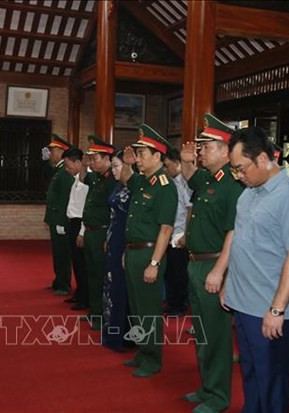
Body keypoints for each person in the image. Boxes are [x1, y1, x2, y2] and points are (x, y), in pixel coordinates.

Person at [223, 127, 289, 413]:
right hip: (242, 302)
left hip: (269, 308)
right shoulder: (248, 193)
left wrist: (277, 309)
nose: (238, 175)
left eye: (240, 168)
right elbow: (239, 240)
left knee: (273, 381)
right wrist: (228, 282)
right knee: (250, 374)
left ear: (262, 158)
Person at [180, 114, 244, 413]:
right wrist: (187, 159)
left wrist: (220, 271)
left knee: (216, 336)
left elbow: (234, 230)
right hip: (196, 262)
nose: (200, 151)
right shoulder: (210, 178)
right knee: (202, 332)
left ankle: (219, 397)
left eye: (206, 146)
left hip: (214, 264)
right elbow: (191, 174)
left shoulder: (233, 184)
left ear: (224, 150)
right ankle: (206, 387)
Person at [120, 124, 178, 378]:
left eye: (143, 154)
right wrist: (127, 162)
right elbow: (124, 177)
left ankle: (153, 358)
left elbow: (166, 229)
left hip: (150, 253)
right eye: (138, 153)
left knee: (149, 309)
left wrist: (154, 263)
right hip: (134, 251)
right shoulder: (144, 182)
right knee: (136, 305)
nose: (139, 158)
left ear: (158, 156)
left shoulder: (165, 186)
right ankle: (143, 351)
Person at [79, 135, 116, 331]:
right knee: (92, 274)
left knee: (103, 276)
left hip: (103, 233)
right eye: (91, 158)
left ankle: (103, 315)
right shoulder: (97, 178)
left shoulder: (112, 180)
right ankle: (94, 311)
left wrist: (110, 236)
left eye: (95, 158)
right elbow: (84, 180)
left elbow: (114, 211)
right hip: (92, 232)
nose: (91, 162)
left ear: (107, 159)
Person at [102, 150, 132, 351]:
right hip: (113, 240)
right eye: (112, 166)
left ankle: (124, 337)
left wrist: (127, 249)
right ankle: (110, 332)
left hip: (125, 242)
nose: (113, 170)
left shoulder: (134, 189)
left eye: (116, 166)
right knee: (110, 287)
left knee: (123, 290)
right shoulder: (118, 186)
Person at [162, 148, 192, 317]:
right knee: (170, 272)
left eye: (168, 166)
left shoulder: (185, 182)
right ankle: (172, 302)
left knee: (179, 273)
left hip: (180, 234)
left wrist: (186, 235)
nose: (166, 169)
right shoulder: (170, 182)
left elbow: (189, 209)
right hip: (170, 233)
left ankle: (179, 305)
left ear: (177, 163)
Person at [43, 135, 74, 296]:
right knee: (57, 252)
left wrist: (62, 221)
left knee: (62, 253)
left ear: (62, 151)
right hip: (55, 218)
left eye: (53, 150)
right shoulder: (58, 169)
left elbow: (65, 199)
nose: (51, 153)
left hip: (60, 219)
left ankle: (64, 284)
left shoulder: (65, 171)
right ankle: (58, 281)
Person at [62, 147, 89, 310]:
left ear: (78, 162)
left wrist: (82, 232)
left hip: (81, 224)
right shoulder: (76, 180)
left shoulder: (86, 182)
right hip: (73, 223)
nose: (67, 169)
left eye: (68, 165)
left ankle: (85, 298)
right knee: (76, 262)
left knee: (82, 263)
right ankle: (79, 292)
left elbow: (86, 209)